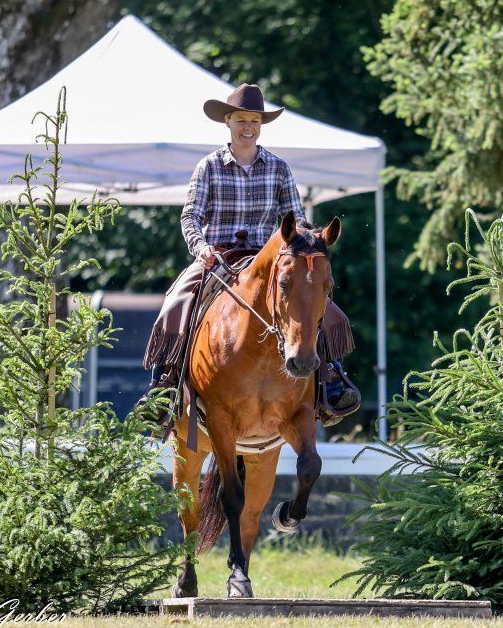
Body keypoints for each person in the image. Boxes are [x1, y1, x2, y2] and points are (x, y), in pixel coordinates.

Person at [142, 83, 359, 424]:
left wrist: (310, 241)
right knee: (176, 301)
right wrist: (202, 249)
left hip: (266, 259)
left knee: (317, 300)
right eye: (241, 120)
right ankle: (165, 386)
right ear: (228, 122)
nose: (248, 127)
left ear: (261, 125)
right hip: (218, 258)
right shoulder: (209, 166)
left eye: (254, 121)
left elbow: (296, 217)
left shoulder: (278, 167)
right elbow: (190, 216)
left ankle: (331, 377)